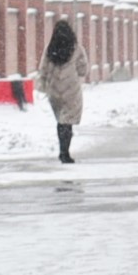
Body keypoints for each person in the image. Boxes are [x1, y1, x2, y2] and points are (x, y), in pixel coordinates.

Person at [40, 18, 85, 165]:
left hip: (54, 91)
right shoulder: (76, 48)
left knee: (60, 121)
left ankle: (62, 150)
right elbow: (83, 68)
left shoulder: (50, 49)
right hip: (71, 90)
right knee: (68, 122)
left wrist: (44, 84)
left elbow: (43, 69)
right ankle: (65, 152)